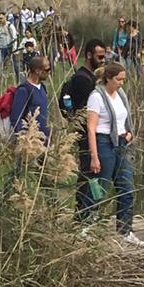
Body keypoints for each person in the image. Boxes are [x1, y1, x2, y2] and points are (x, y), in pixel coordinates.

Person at [86, 61, 142, 244]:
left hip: (121, 142)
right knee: (100, 187)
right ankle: (87, 223)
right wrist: (94, 156)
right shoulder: (97, 96)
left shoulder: (121, 95)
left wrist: (129, 133)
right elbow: (91, 127)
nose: (121, 83)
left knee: (126, 187)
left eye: (123, 80)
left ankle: (125, 230)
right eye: (118, 80)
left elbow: (125, 118)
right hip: (104, 142)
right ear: (108, 78)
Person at [62, 40, 107, 216]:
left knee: (91, 172)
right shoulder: (83, 79)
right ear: (89, 55)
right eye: (100, 56)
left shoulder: (91, 77)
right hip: (85, 133)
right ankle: (84, 213)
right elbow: (88, 109)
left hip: (91, 132)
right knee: (89, 172)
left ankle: (89, 210)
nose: (103, 60)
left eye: (105, 56)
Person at [8, 52, 52, 145]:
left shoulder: (42, 87)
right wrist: (26, 139)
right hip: (31, 144)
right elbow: (16, 119)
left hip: (43, 141)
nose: (49, 72)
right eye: (47, 69)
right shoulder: (24, 90)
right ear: (37, 71)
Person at [0, 13, 17, 78]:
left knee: (14, 62)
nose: (0, 20)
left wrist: (14, 48)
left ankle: (17, 75)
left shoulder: (10, 26)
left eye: (1, 18)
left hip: (10, 47)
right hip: (1, 48)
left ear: (5, 17)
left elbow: (14, 37)